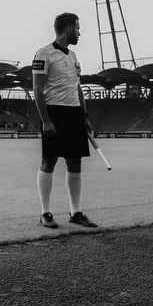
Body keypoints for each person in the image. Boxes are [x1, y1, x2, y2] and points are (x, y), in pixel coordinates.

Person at [31, 12, 97, 229]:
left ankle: (75, 212)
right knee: (49, 160)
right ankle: (45, 213)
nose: (79, 32)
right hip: (54, 113)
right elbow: (37, 89)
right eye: (78, 28)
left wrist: (84, 116)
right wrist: (46, 120)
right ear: (69, 29)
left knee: (74, 162)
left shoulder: (74, 56)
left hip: (74, 114)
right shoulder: (44, 53)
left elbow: (78, 88)